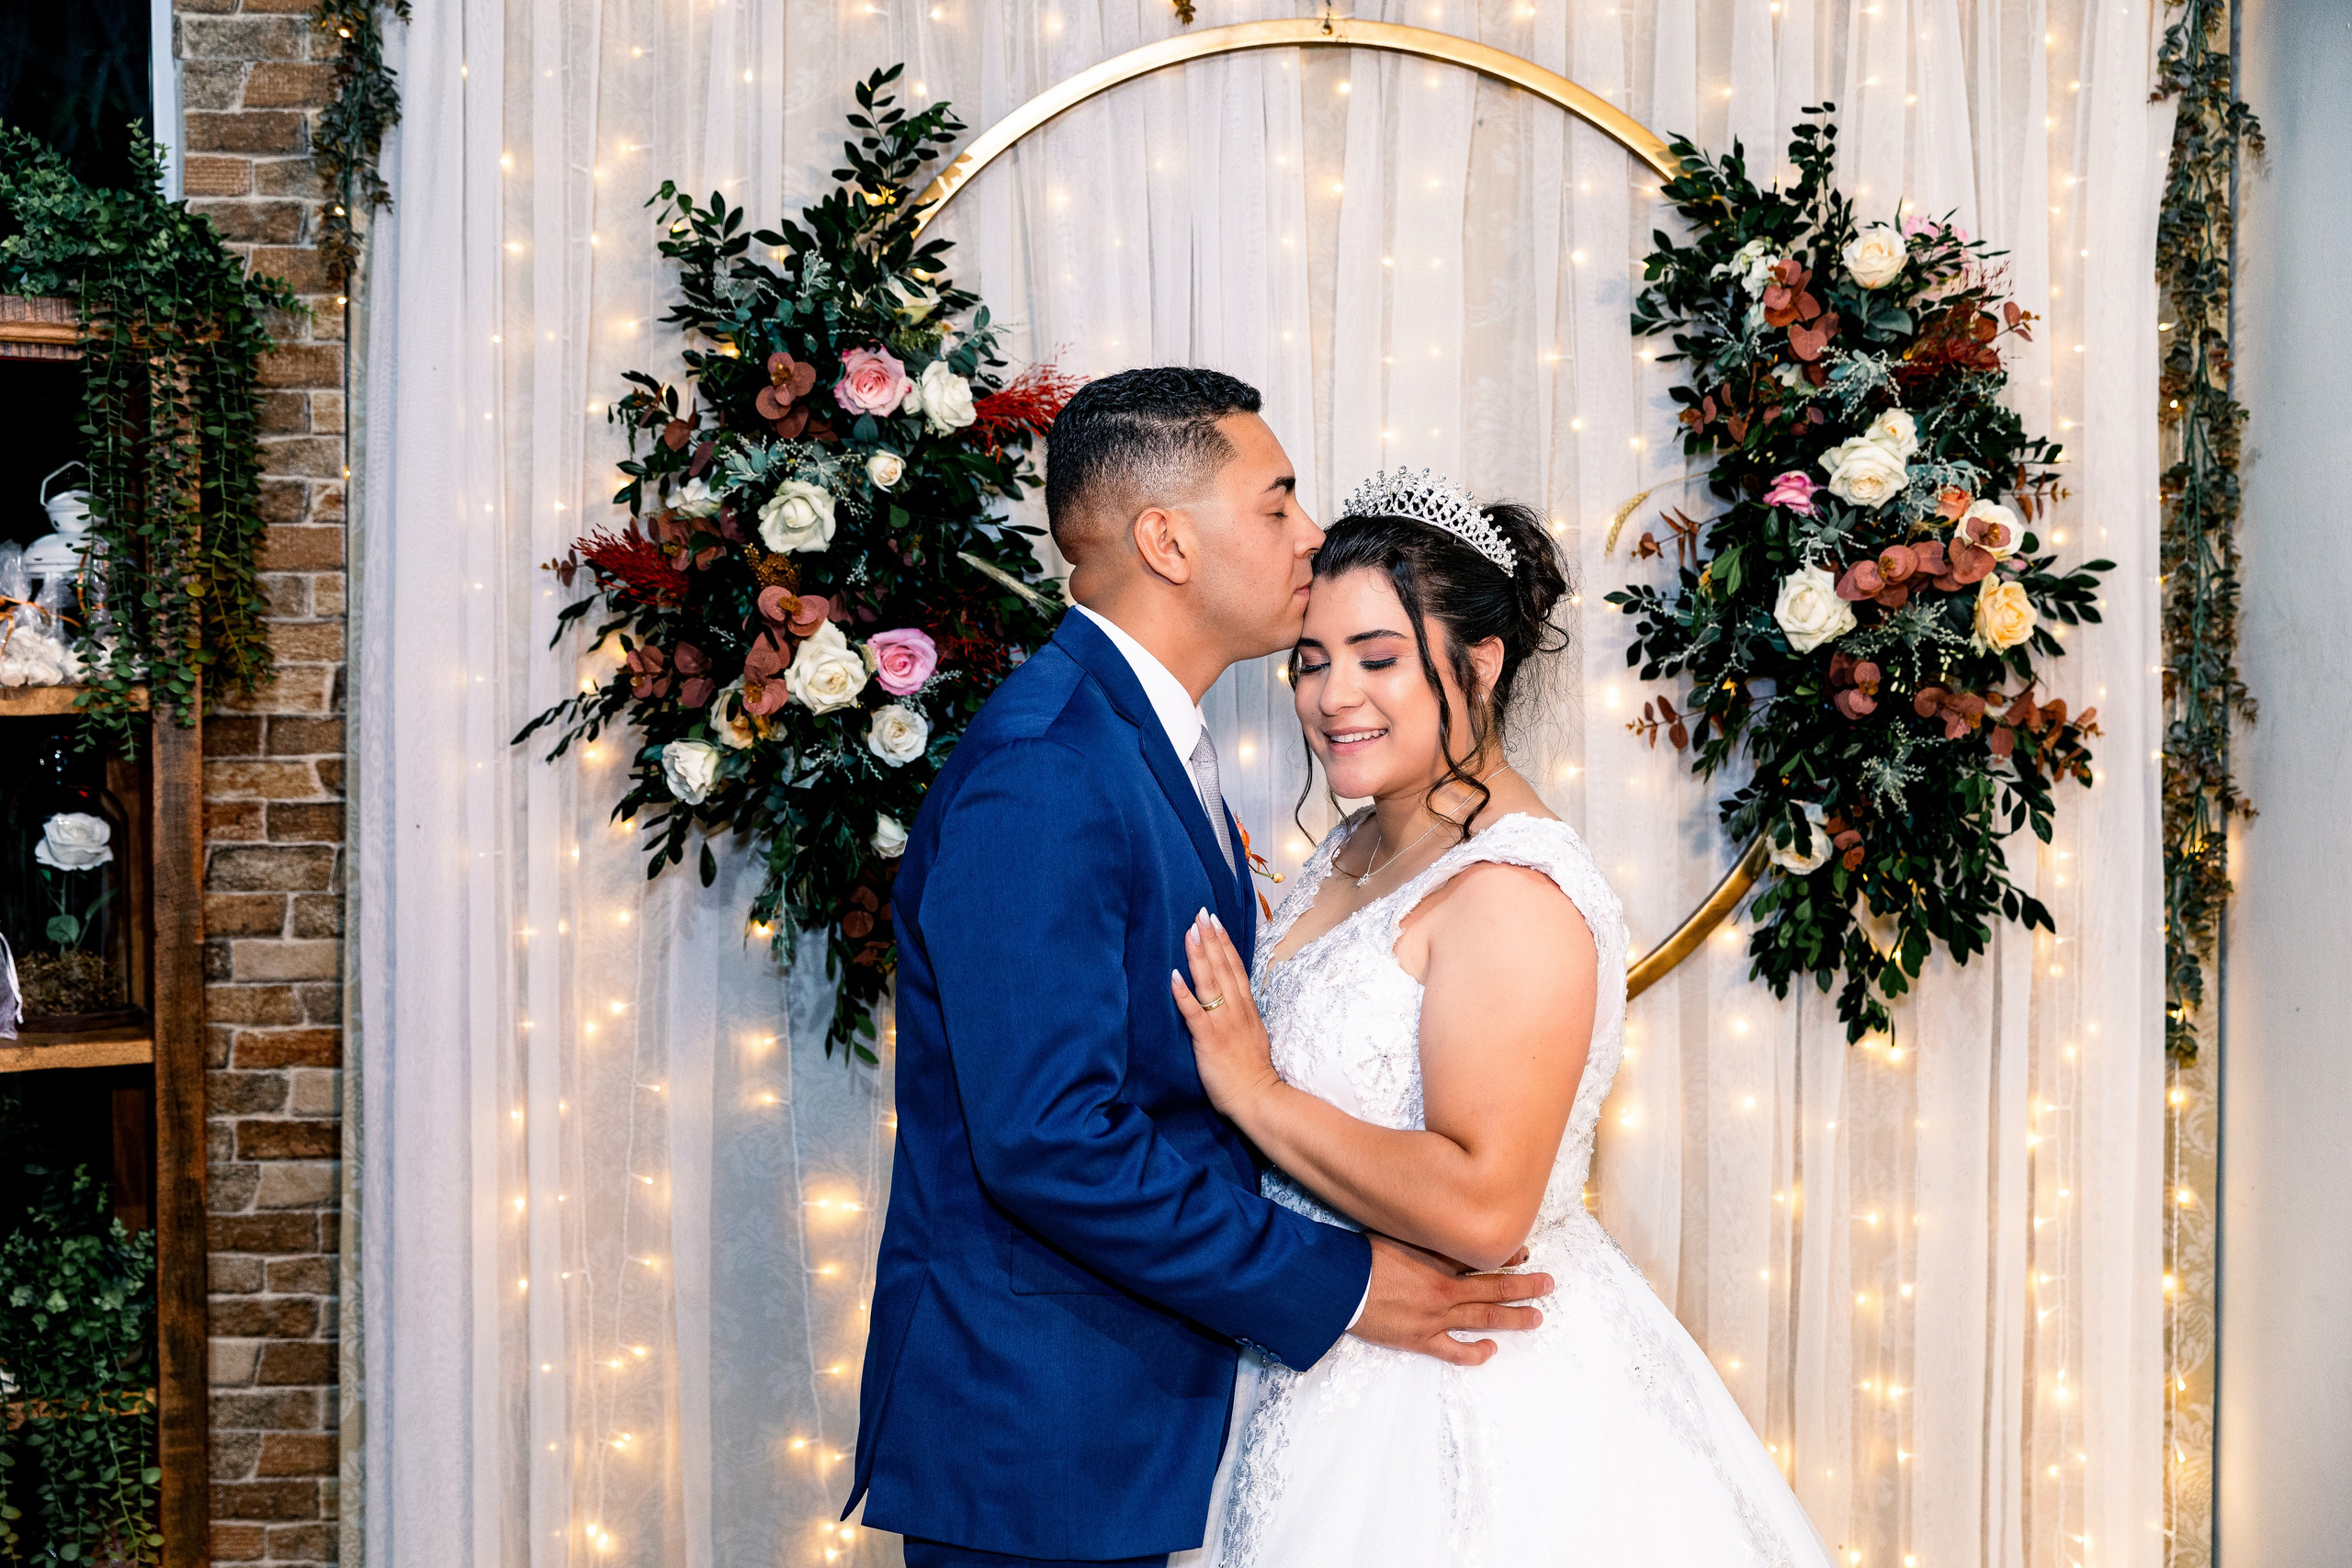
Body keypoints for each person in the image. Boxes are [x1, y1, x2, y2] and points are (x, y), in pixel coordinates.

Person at [843, 371, 1555, 1568]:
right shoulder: (1049, 764)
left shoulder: (1139, 738)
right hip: (1045, 1446)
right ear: (1167, 539)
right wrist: (1333, 1281)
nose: (1311, 535)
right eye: (1276, 503)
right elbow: (1050, 1138)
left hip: (1134, 1421)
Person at [1168, 468, 1838, 1567]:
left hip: (1453, 1385)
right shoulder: (1358, 843)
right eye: (1312, 659)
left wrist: (1256, 1091)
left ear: (1479, 663)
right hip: (1308, 1339)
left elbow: (1484, 1208)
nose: (1334, 696)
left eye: (1379, 658)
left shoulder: (1511, 891)